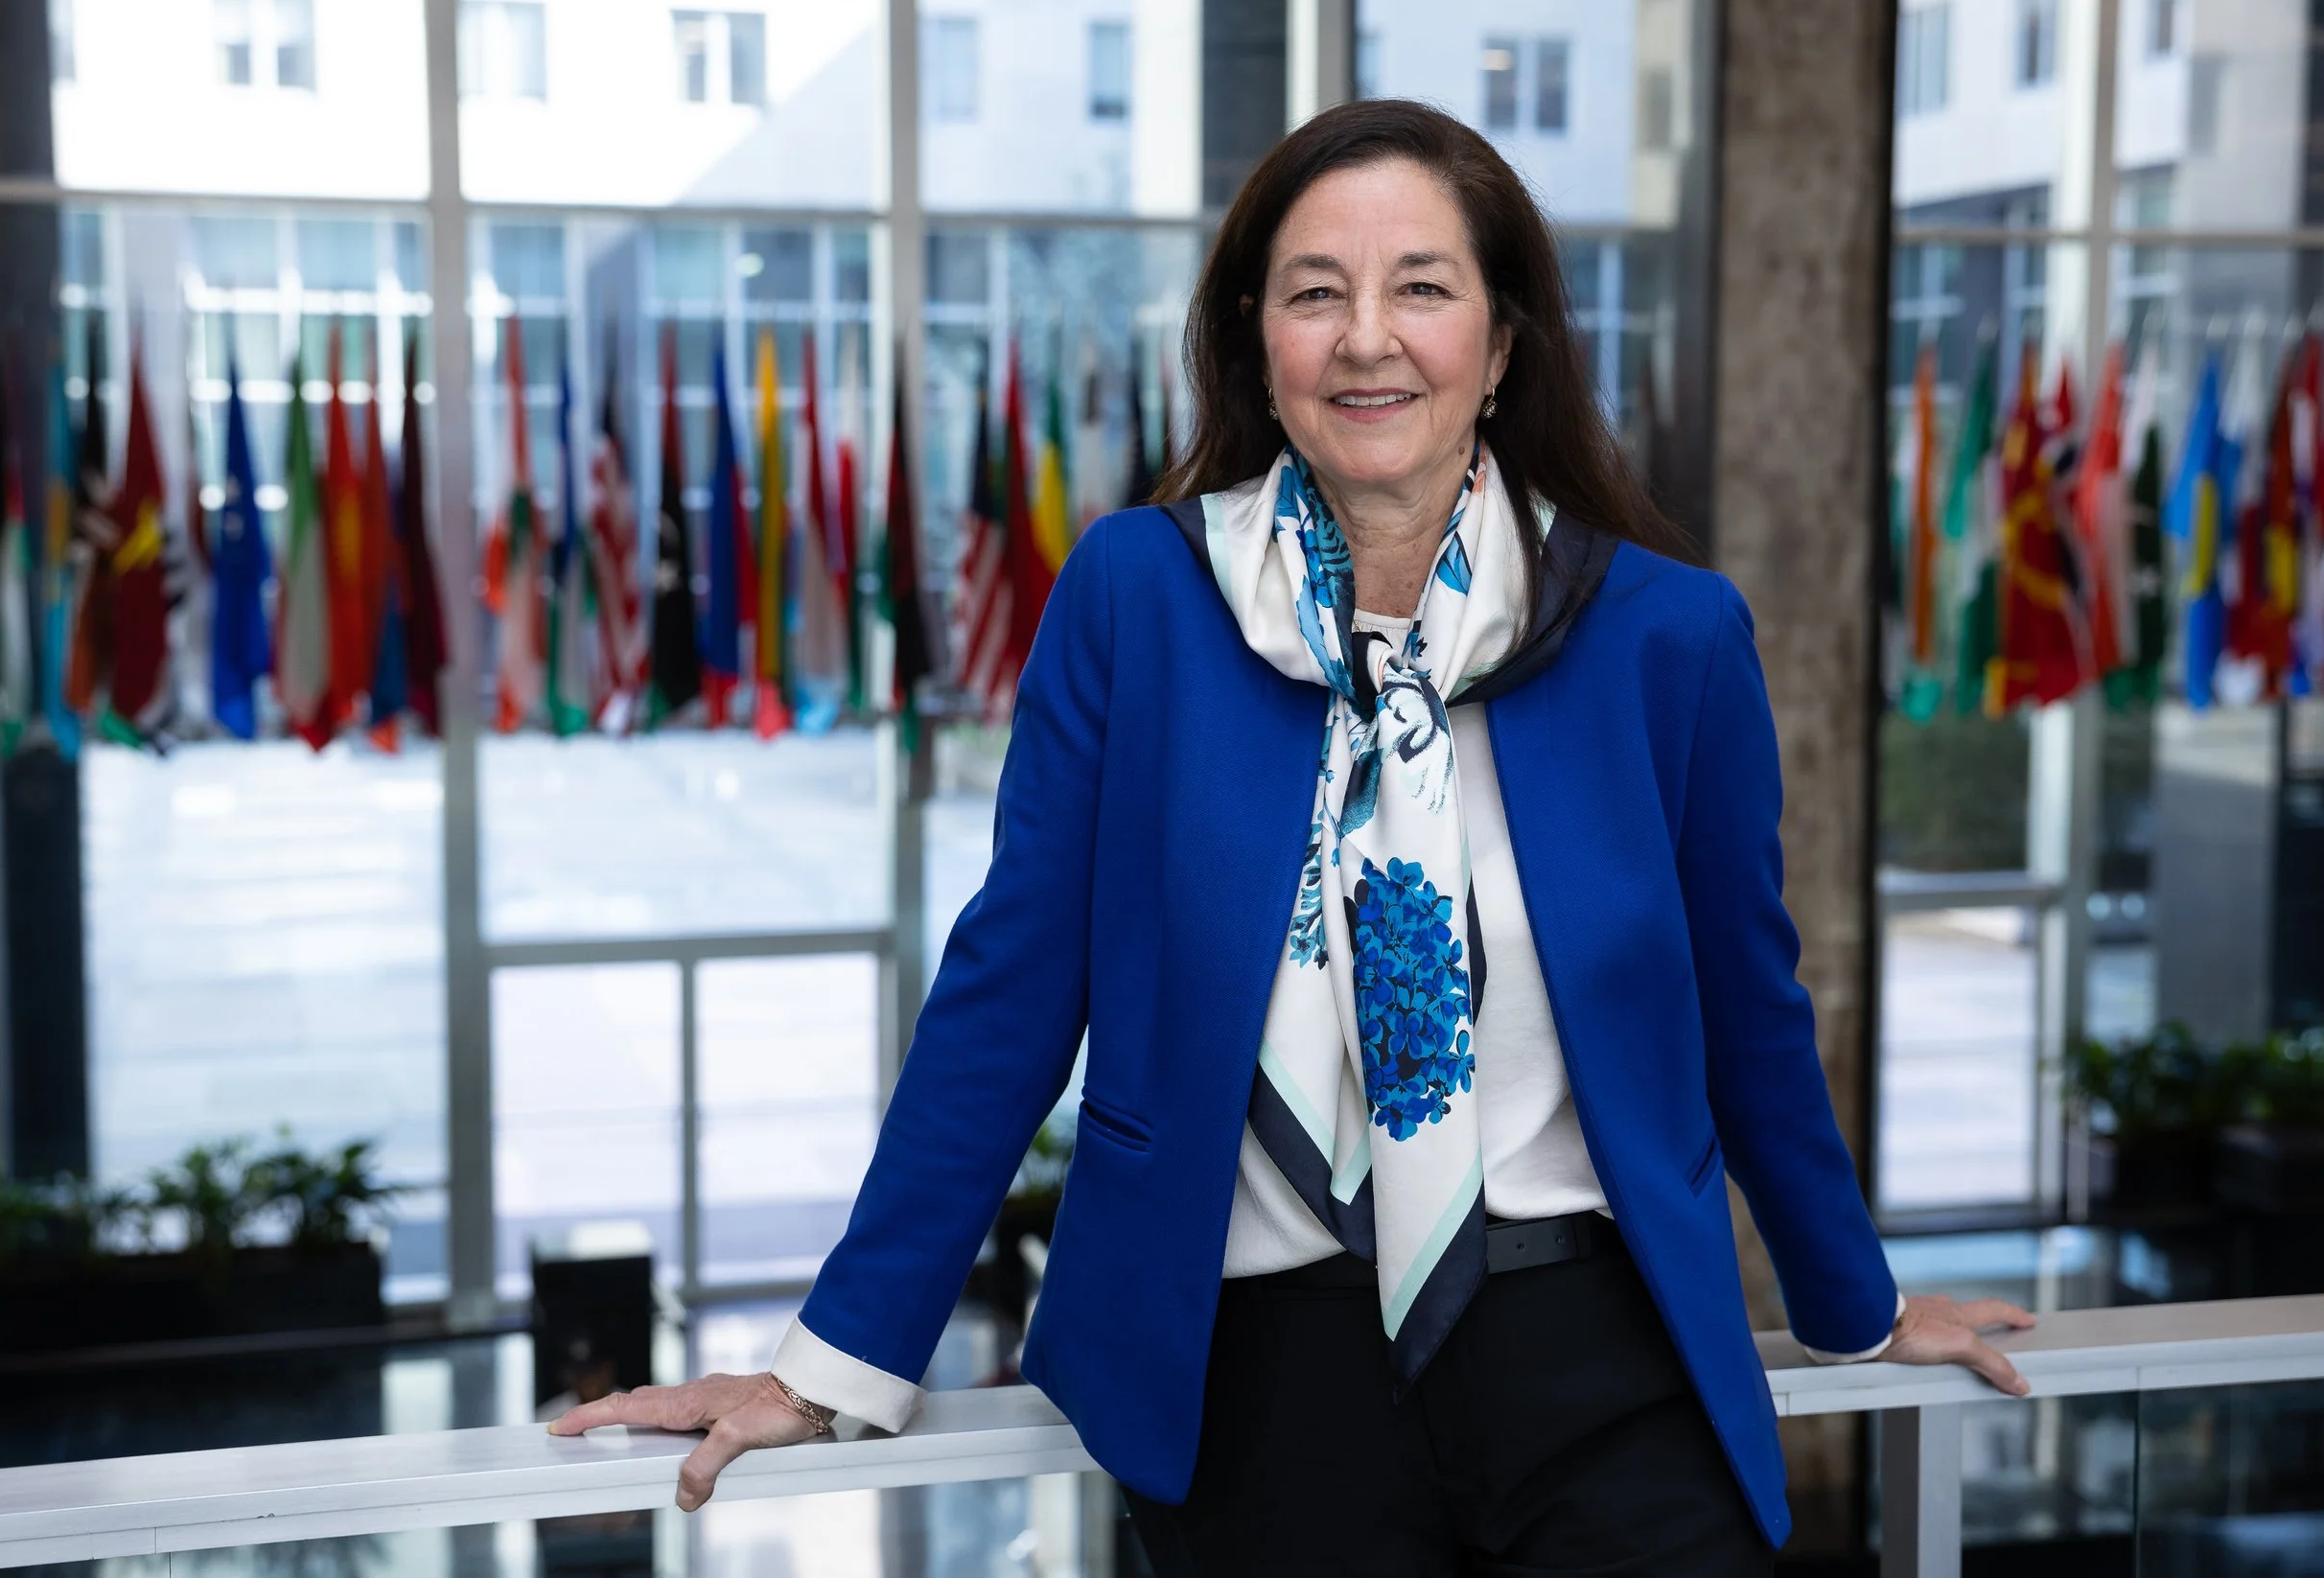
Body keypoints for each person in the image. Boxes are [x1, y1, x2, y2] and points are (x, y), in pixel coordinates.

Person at [554, 100, 2034, 1575]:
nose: (1367, 337)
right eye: (1316, 291)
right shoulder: (1138, 597)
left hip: (1601, 1352)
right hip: (1253, 1371)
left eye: (1423, 289)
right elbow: (1010, 988)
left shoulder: (1668, 636)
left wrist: (1863, 1301)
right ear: (1258, 339)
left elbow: (1745, 1004)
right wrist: (836, 1357)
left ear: (1503, 344)